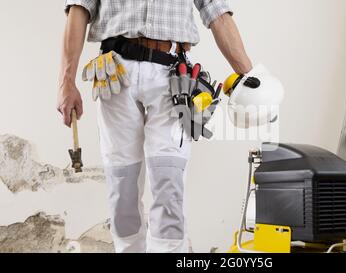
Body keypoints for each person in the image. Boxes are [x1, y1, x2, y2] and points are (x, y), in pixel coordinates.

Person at [57, 0, 252, 253]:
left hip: (172, 79)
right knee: (122, 191)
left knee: (169, 186)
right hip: (115, 73)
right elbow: (79, 8)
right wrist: (66, 82)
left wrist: (250, 79)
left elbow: (218, 14)